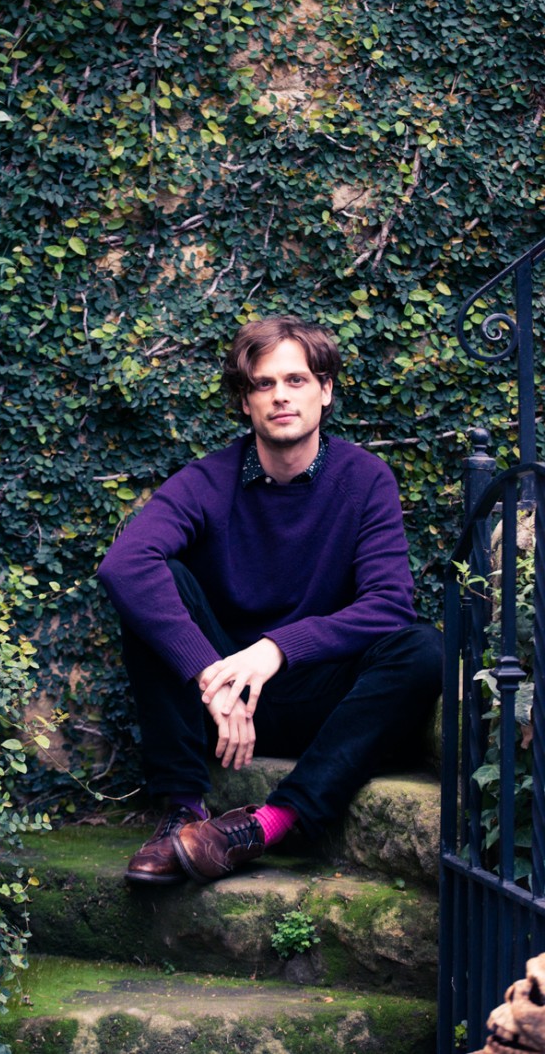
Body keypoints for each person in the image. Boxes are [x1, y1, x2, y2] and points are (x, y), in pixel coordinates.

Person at [97, 315, 442, 886]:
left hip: (321, 701)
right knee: (156, 581)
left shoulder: (366, 479)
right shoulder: (208, 479)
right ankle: (182, 809)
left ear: (325, 391)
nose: (281, 395)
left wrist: (274, 650)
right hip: (221, 711)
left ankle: (267, 824)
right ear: (245, 402)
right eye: (263, 384)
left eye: (297, 380)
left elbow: (388, 604)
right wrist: (214, 676)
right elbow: (124, 564)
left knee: (423, 648)